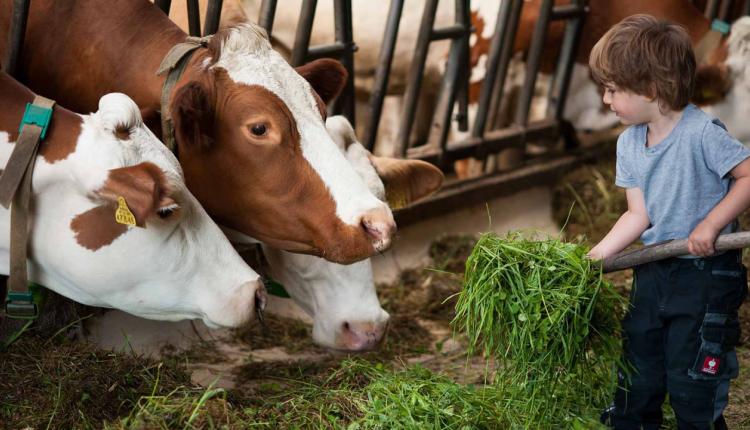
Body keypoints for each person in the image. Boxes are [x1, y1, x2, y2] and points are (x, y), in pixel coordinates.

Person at [586, 14, 750, 430]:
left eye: (611, 90)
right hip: (654, 269)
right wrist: (594, 257)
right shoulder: (628, 143)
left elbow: (747, 176)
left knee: (692, 378)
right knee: (637, 372)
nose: (605, 101)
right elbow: (637, 215)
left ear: (651, 89)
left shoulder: (702, 133)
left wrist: (710, 225)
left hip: (706, 274)